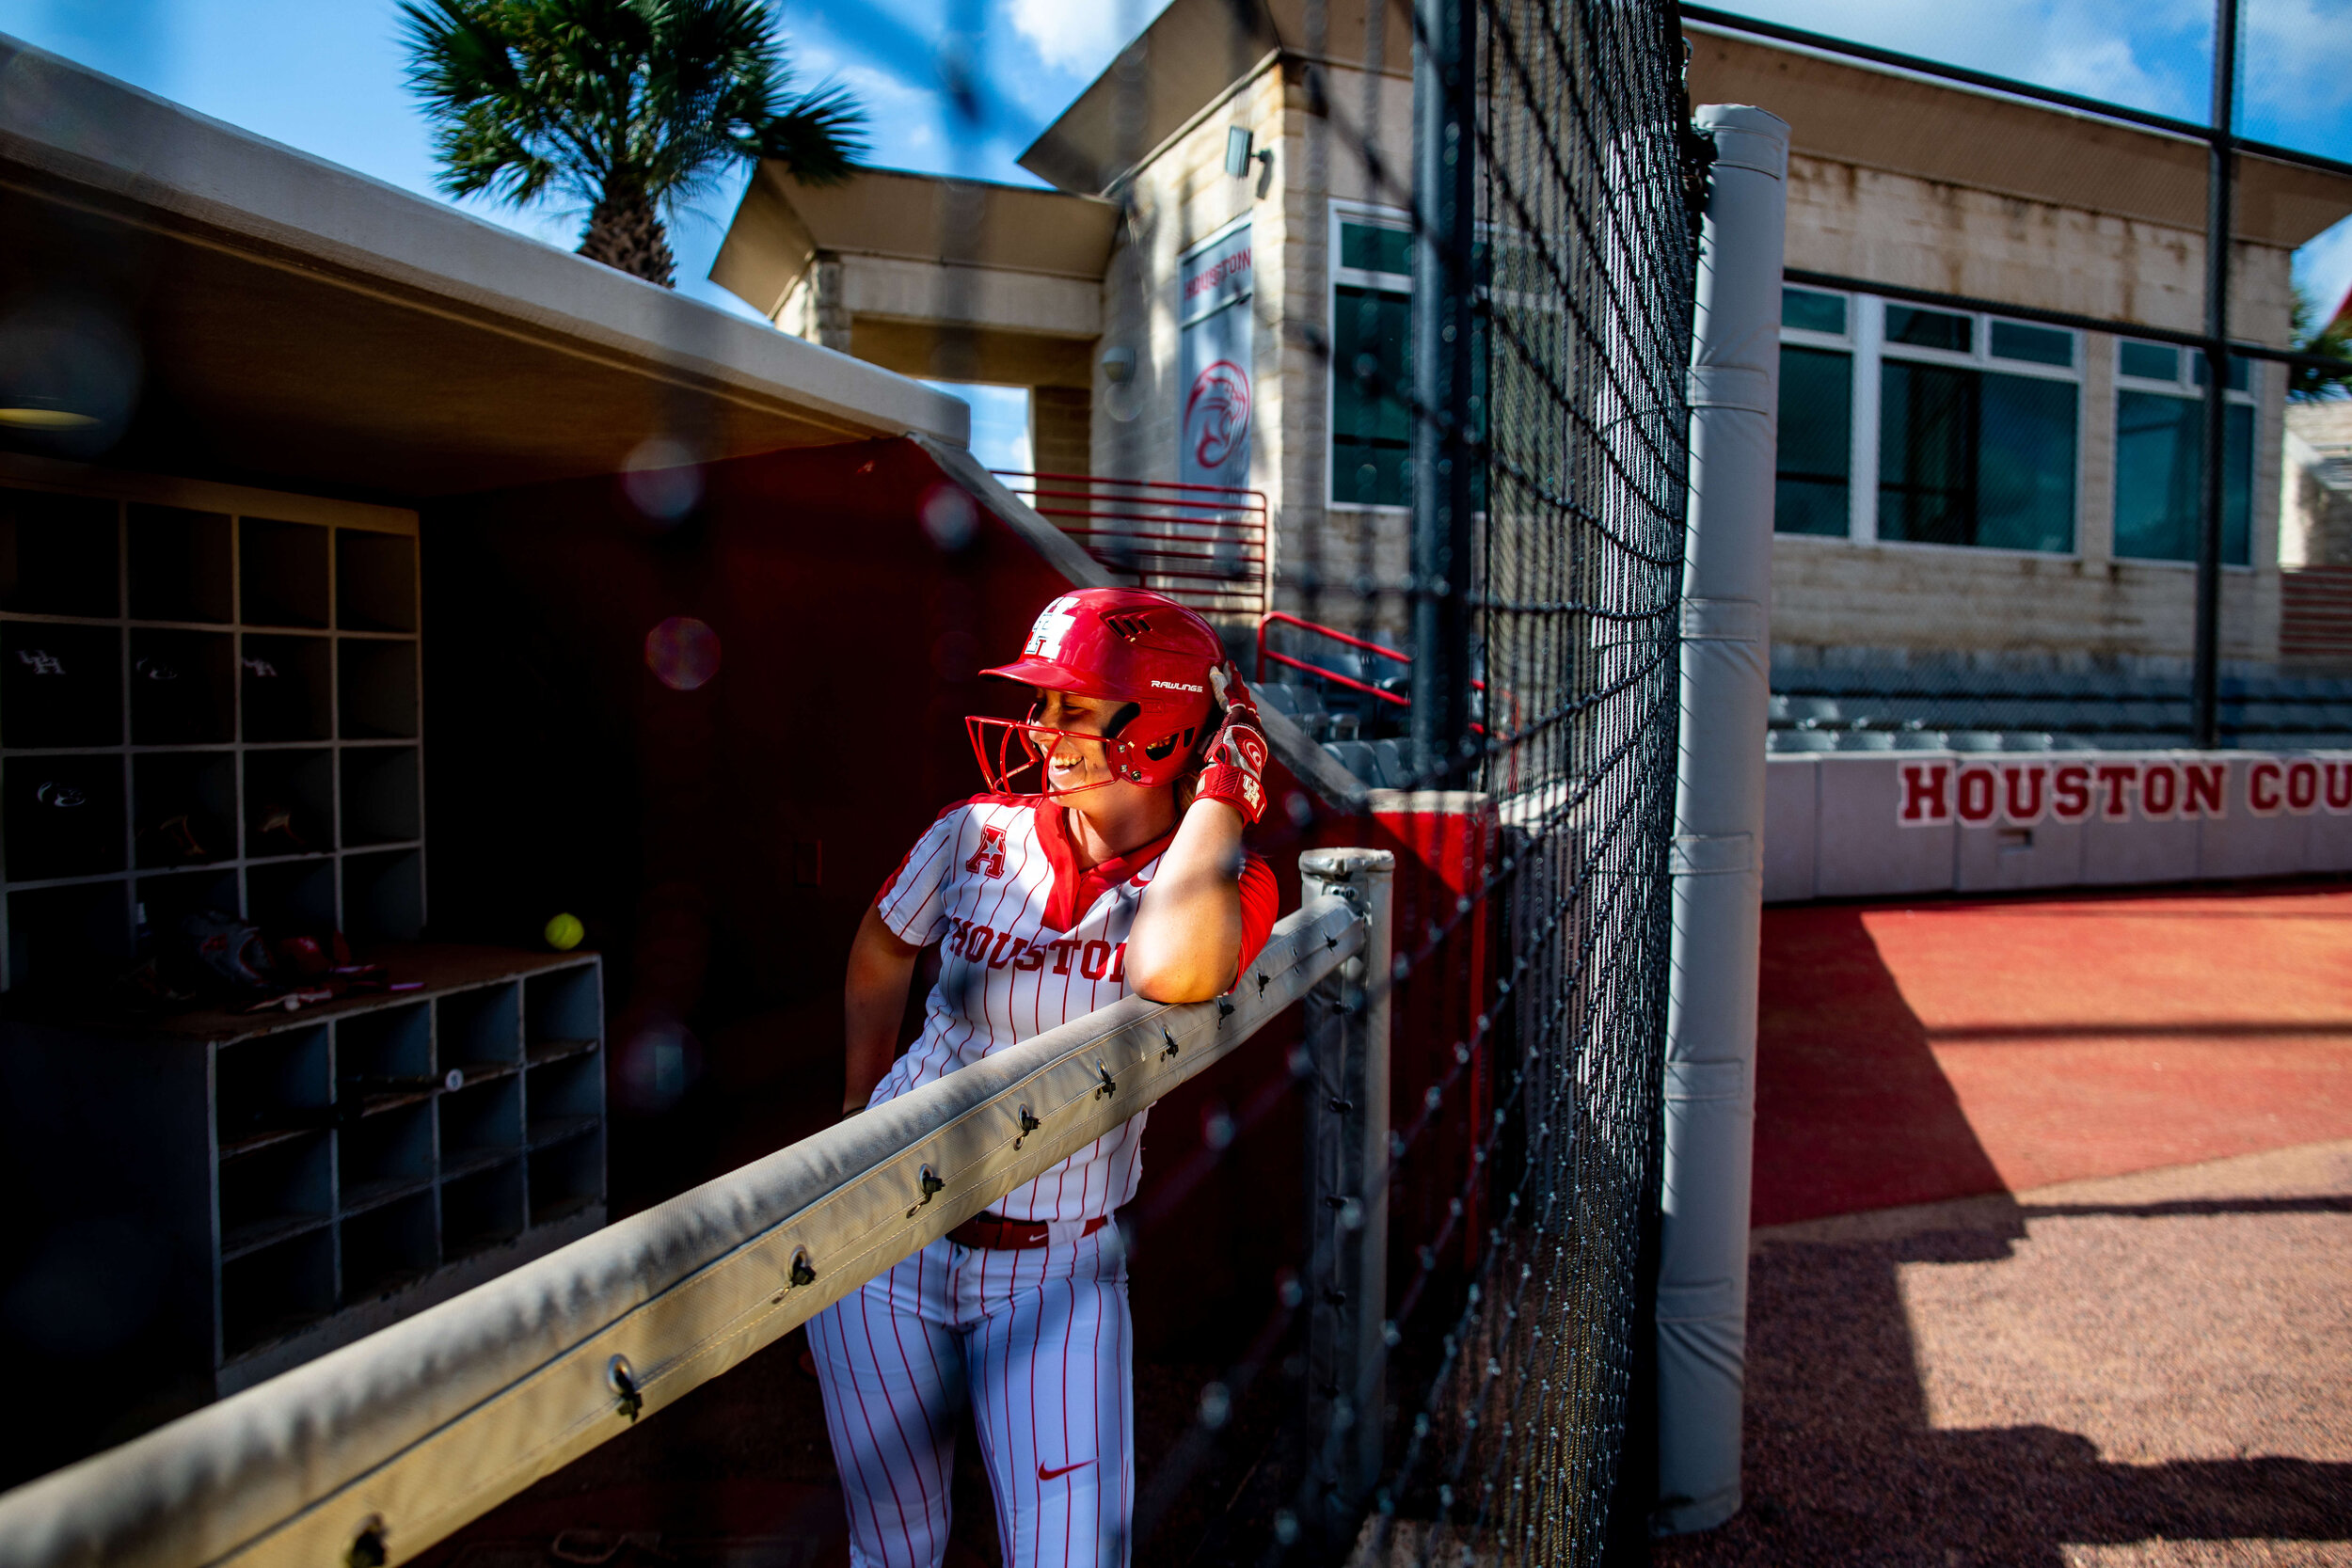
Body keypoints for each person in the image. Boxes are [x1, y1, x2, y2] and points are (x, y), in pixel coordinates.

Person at [808, 587, 1280, 1568]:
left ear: (1155, 725)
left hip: (1054, 1265)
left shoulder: (1222, 880)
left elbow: (1169, 969)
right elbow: (882, 945)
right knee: (892, 1544)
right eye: (1040, 702)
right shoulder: (974, 831)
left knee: (1070, 1555)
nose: (1039, 727)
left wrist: (1221, 793)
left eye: (1071, 704)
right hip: (882, 1236)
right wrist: (855, 1111)